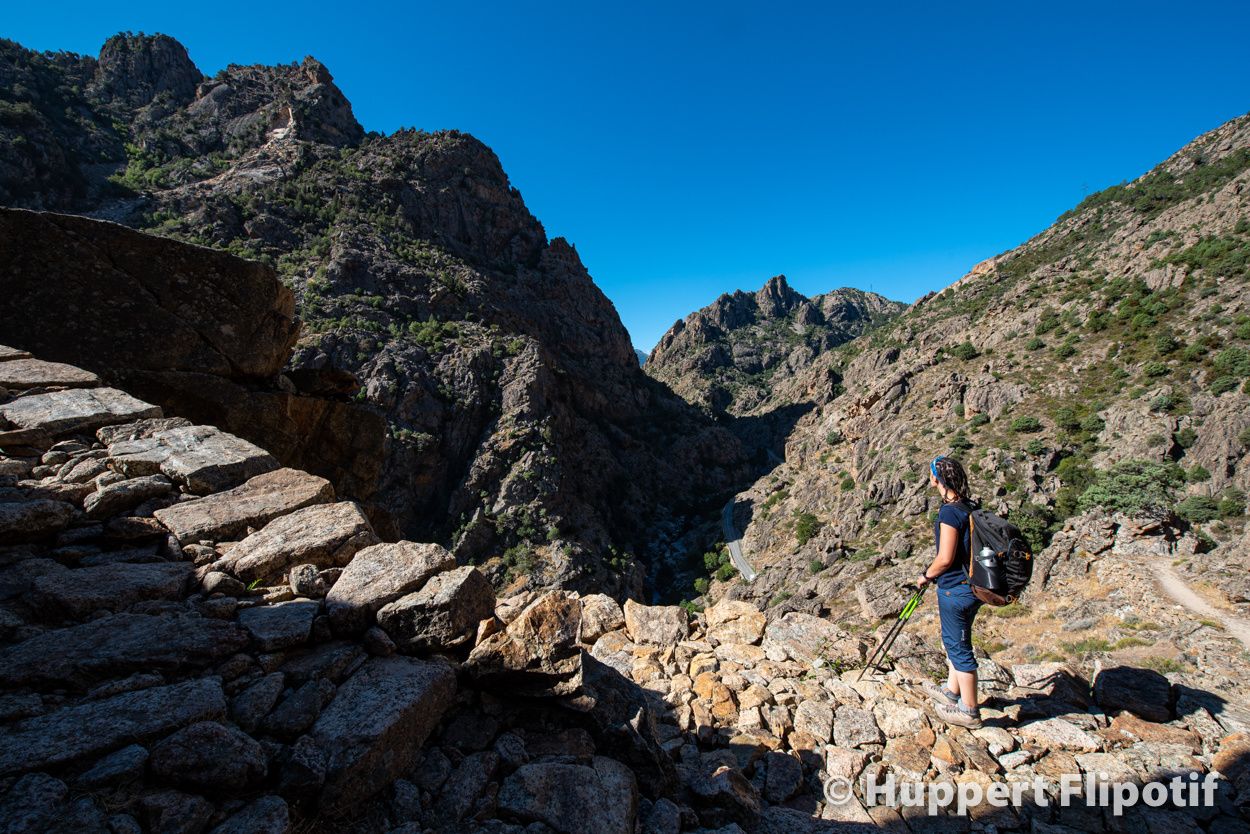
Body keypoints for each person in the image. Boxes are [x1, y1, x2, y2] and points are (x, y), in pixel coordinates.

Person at [916, 455, 983, 728]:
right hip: (972, 586)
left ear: (936, 478)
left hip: (956, 589)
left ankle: (970, 711)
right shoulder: (968, 506)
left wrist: (925, 576)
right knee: (955, 641)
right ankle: (951, 692)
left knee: (959, 647)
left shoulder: (949, 513)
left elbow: (945, 557)